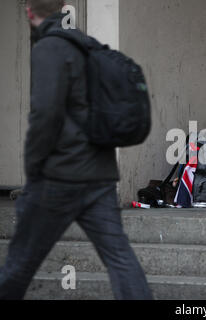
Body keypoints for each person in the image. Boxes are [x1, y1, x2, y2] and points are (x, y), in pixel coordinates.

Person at [0, 0, 153, 300]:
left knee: (20, 263)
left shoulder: (48, 48)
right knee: (120, 259)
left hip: (59, 177)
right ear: (63, 7)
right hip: (100, 176)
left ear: (29, 11)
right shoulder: (87, 46)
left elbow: (45, 114)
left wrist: (33, 170)